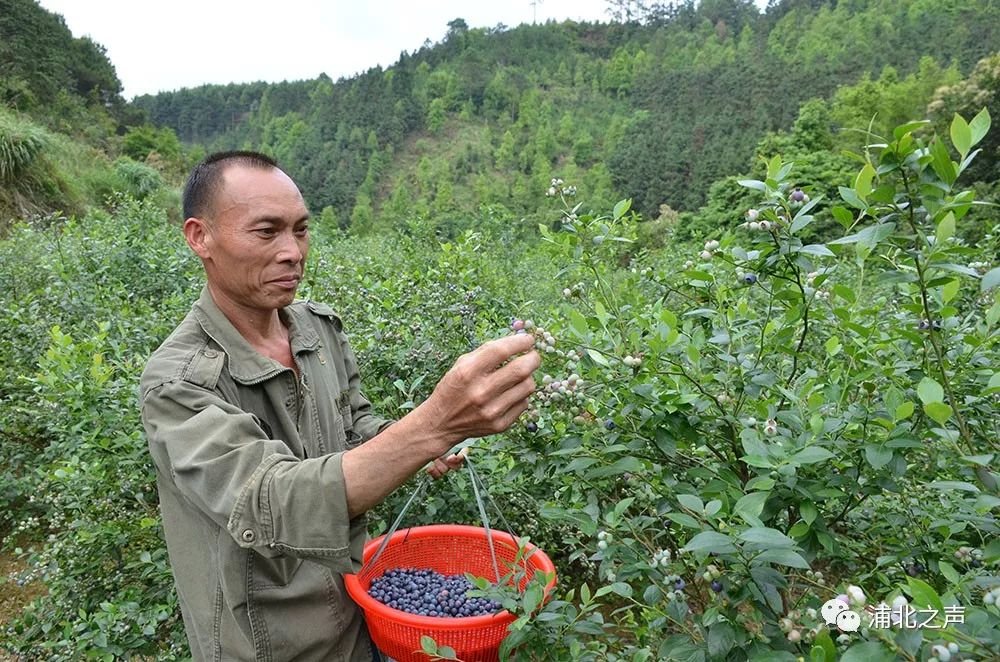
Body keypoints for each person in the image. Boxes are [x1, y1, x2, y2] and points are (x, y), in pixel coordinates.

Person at [139, 151, 540, 661]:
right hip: (269, 645)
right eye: (267, 232)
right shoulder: (177, 383)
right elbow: (271, 503)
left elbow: (353, 423)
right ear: (200, 237)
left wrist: (403, 442)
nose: (293, 252)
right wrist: (429, 427)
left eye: (301, 230)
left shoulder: (316, 329)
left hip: (358, 611)